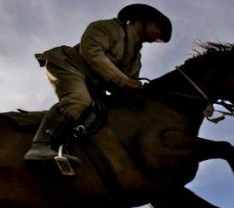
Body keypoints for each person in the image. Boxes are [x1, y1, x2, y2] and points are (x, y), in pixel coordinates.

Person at [24, 4, 172, 168]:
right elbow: (91, 51)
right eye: (157, 27)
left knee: (105, 113)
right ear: (142, 20)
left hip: (92, 83)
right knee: (80, 100)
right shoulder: (108, 28)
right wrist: (124, 81)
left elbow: (127, 85)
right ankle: (40, 146)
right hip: (69, 64)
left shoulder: (136, 59)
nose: (159, 34)